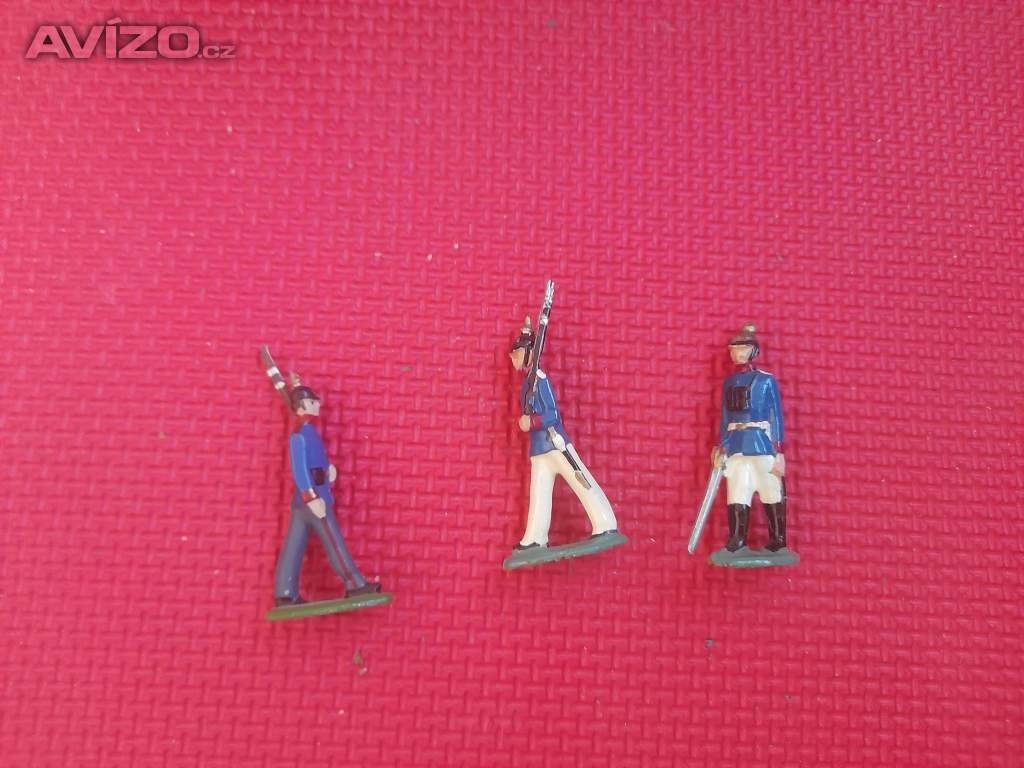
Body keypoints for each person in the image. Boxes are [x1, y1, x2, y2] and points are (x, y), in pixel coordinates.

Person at [508, 317, 619, 552]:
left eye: (516, 353)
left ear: (528, 353)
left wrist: (532, 421)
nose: (513, 358)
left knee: (580, 480)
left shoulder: (540, 381)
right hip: (539, 448)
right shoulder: (527, 384)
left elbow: (552, 415)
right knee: (539, 492)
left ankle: (605, 523)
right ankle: (535, 537)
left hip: (553, 441)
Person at [272, 375, 381, 606]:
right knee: (333, 540)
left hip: (311, 496)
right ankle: (355, 584)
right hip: (313, 498)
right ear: (300, 406)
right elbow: (299, 470)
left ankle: (284, 591)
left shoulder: (307, 431)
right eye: (312, 402)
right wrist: (311, 496)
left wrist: (327, 470)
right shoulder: (298, 436)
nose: (317, 404)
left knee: (294, 545)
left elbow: (313, 460)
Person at [711, 323, 795, 561]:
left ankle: (778, 541)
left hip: (762, 444)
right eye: (733, 349)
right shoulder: (729, 383)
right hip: (736, 446)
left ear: (752, 350)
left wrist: (779, 450)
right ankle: (736, 541)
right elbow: (725, 417)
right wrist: (722, 445)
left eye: (742, 348)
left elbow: (775, 416)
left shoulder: (766, 381)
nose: (737, 353)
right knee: (737, 492)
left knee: (771, 490)